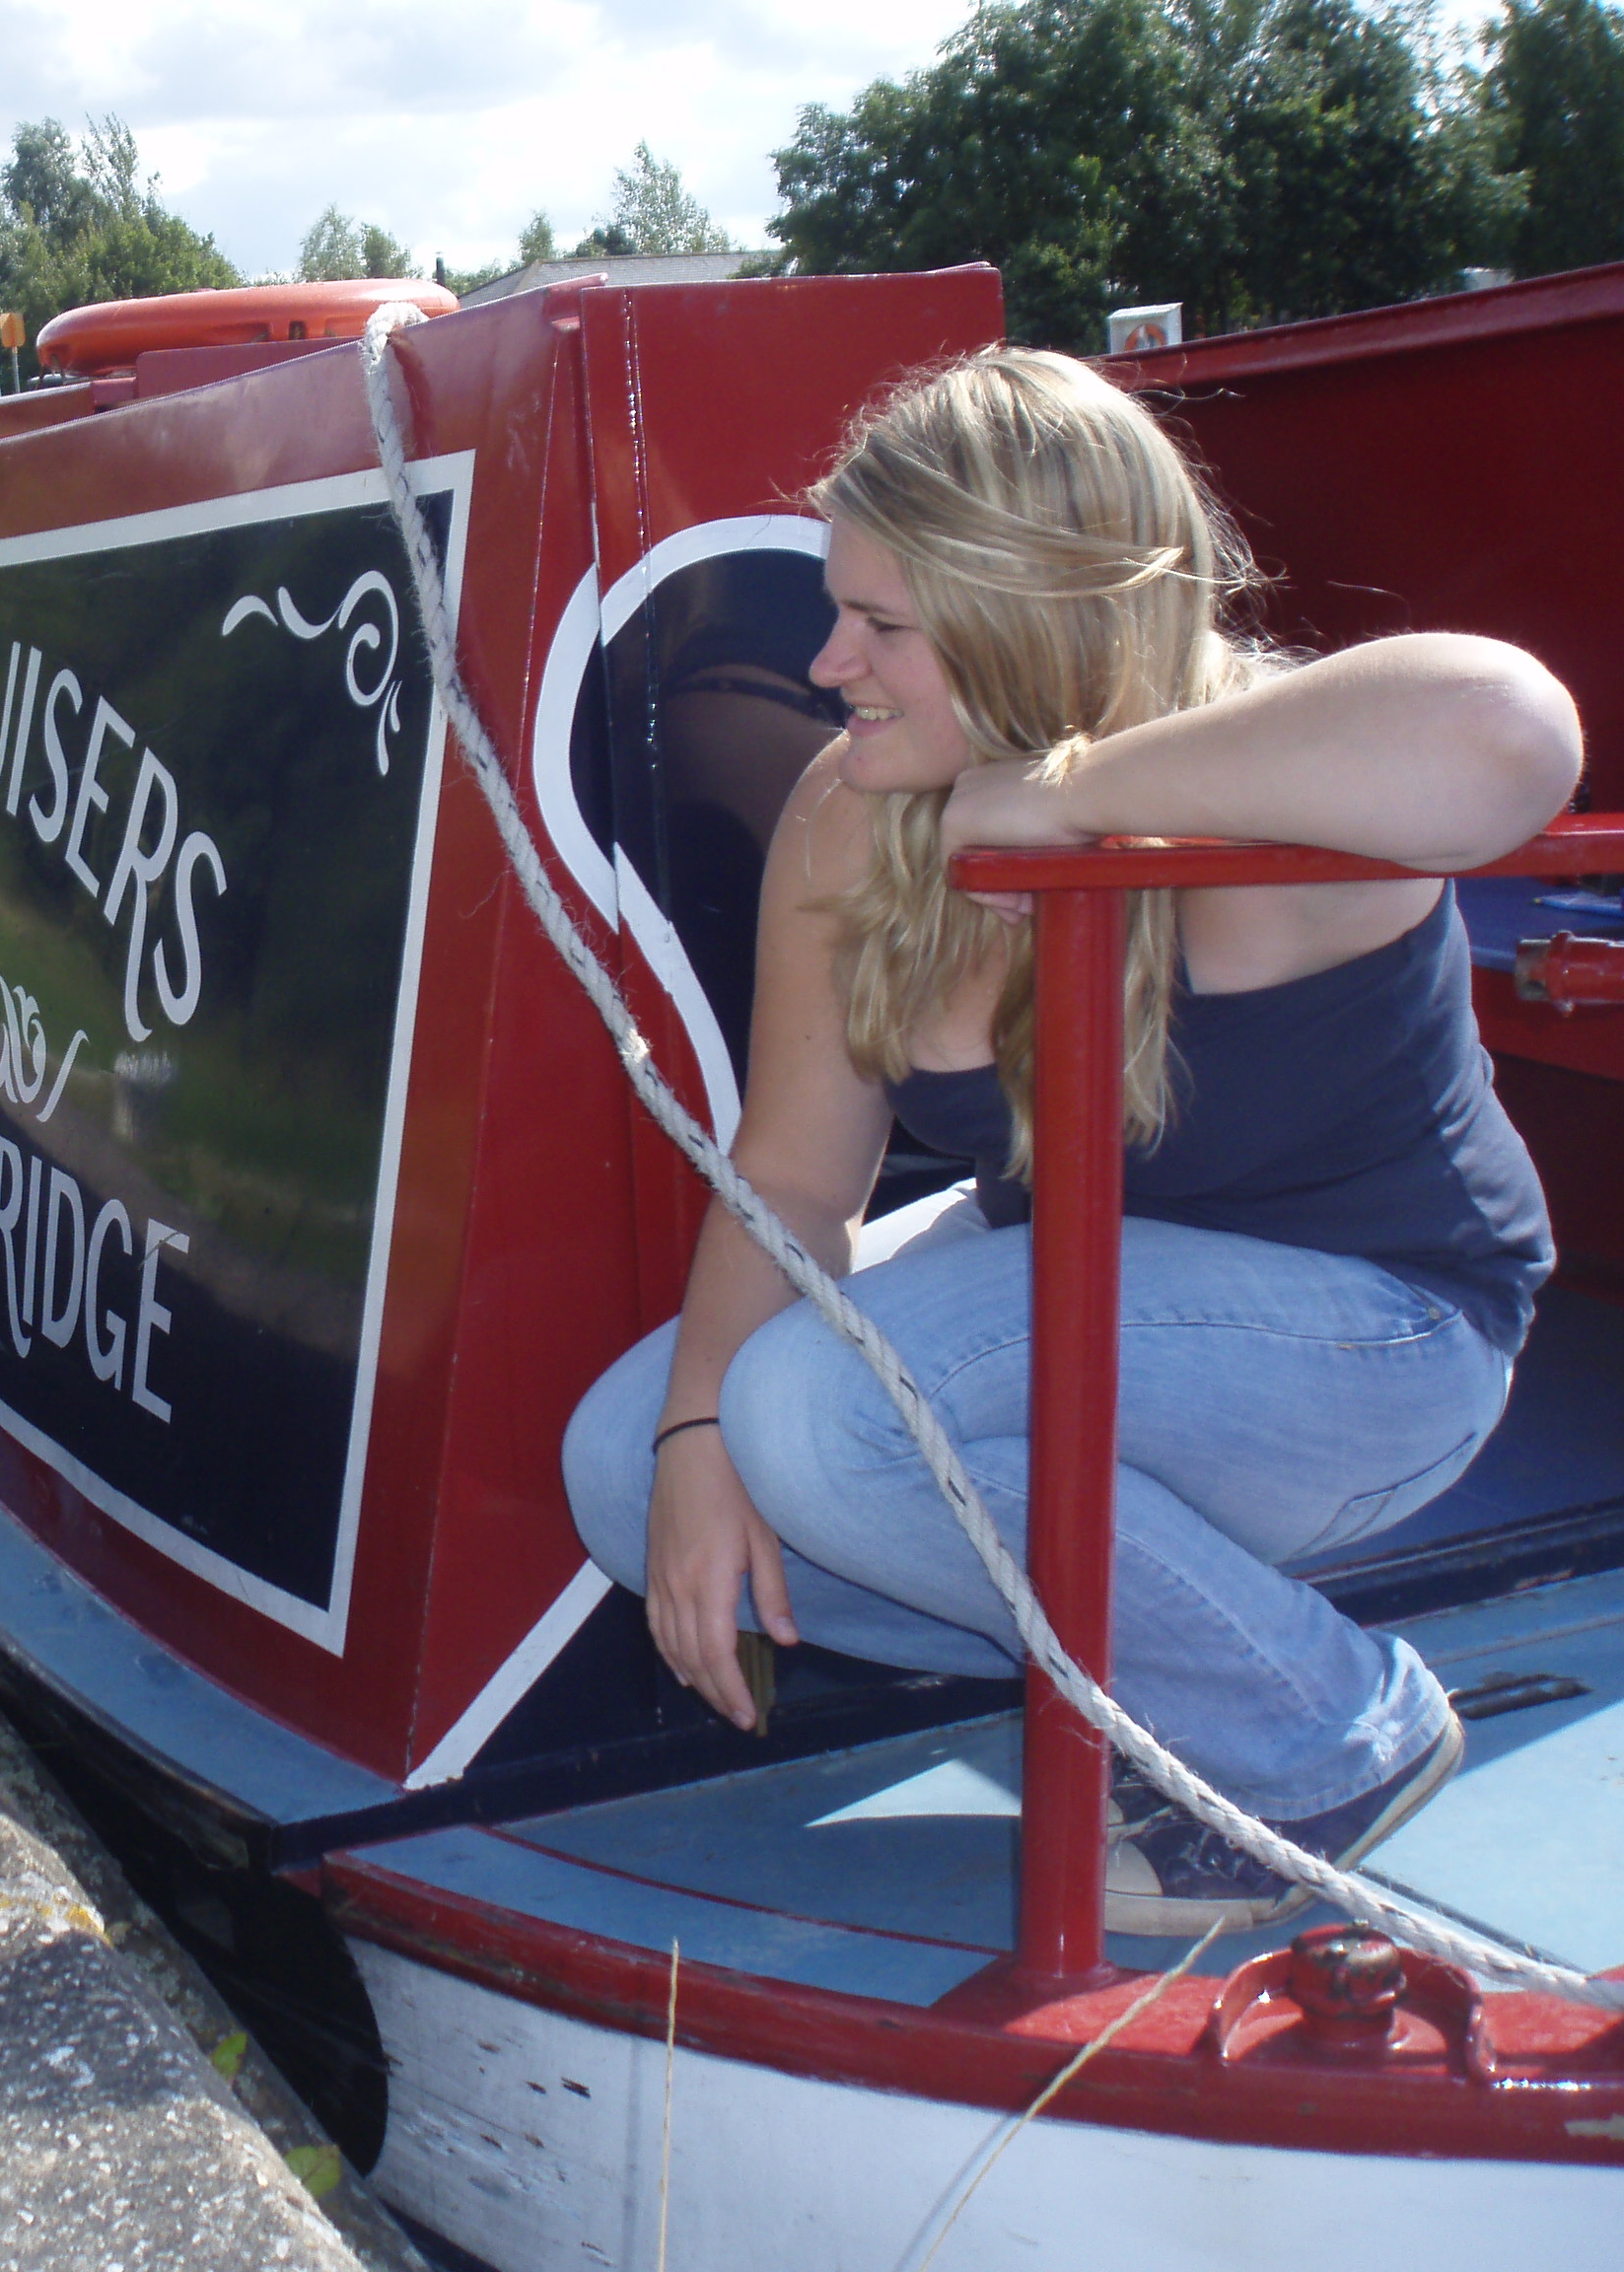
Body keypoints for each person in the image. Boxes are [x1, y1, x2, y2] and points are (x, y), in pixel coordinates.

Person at [562, 348, 1580, 1935]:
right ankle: (1149, 1668)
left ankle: (1322, 1734)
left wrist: (1073, 795)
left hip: (1386, 1346)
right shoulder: (857, 810)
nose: (830, 664)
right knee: (629, 1468)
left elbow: (1512, 735)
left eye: (882, 626)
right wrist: (697, 1453)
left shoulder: (1251, 808)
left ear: (1032, 620)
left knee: (826, 1420)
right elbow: (799, 1177)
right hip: (1086, 1310)